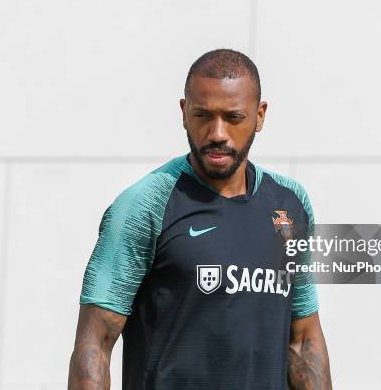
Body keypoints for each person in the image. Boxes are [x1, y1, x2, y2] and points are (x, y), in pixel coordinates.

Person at [68, 49, 332, 389]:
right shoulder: (145, 204)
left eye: (233, 117)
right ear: (183, 113)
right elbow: (95, 343)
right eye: (203, 115)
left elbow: (303, 340)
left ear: (260, 115)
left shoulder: (290, 203)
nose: (217, 132)